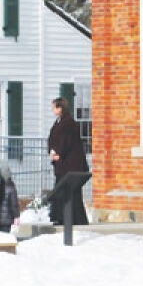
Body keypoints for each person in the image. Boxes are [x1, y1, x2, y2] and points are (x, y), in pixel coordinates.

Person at [48, 96, 89, 225]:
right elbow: (52, 139)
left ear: (60, 108)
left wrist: (58, 152)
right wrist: (52, 151)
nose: (53, 110)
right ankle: (61, 217)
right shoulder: (59, 122)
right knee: (61, 191)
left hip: (70, 165)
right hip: (62, 164)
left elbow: (66, 142)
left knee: (69, 192)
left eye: (54, 107)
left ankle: (71, 218)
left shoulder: (69, 123)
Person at [0, 164, 20, 234]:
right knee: (5, 237)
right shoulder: (11, 186)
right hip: (7, 218)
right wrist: (16, 215)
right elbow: (14, 203)